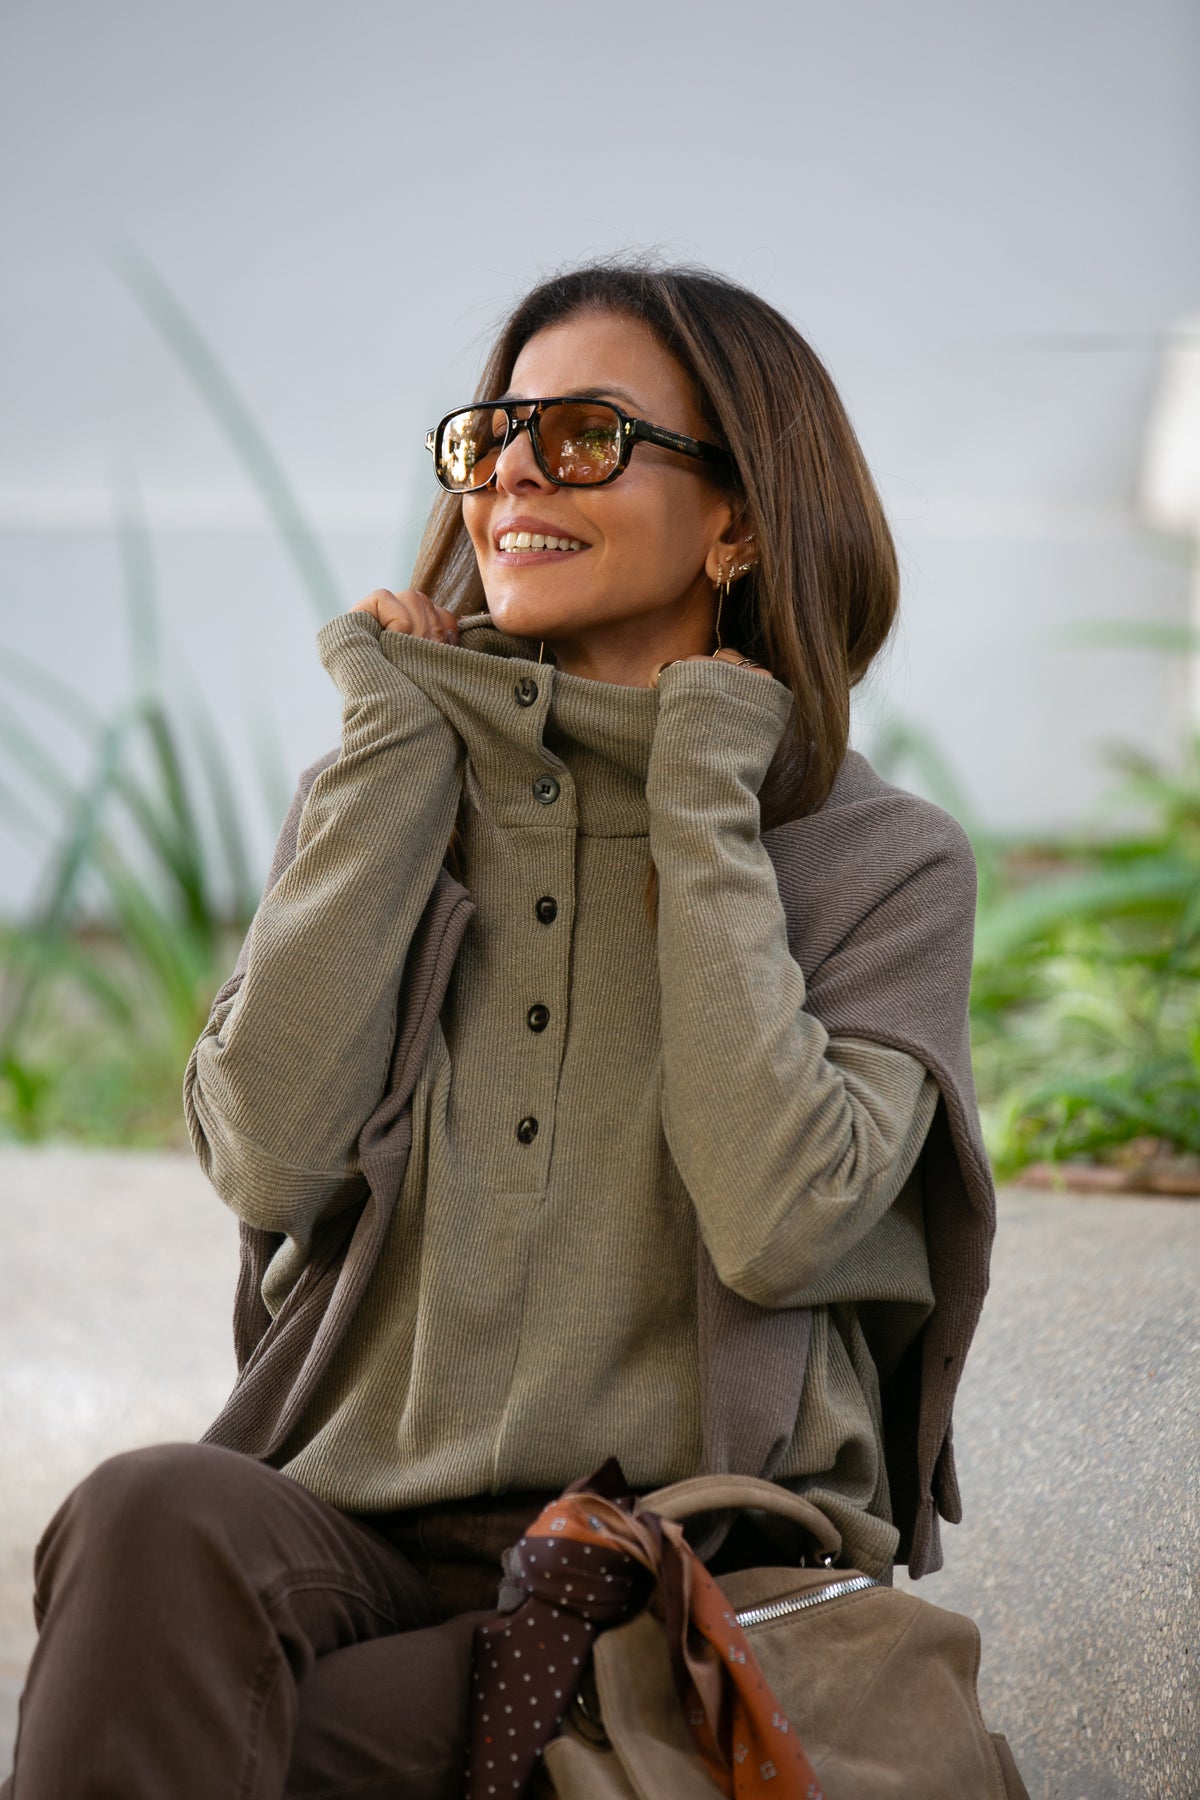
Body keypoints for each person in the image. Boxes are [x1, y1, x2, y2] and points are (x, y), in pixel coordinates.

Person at [4, 262, 995, 1799]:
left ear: (738, 524)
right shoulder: (391, 792)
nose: (514, 475)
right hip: (351, 1529)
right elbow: (268, 1162)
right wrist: (393, 754)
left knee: (235, 1743)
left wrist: (704, 793)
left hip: (663, 1566)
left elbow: (783, 1220)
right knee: (149, 1512)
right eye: (491, 438)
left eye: (587, 437)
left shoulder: (879, 863)